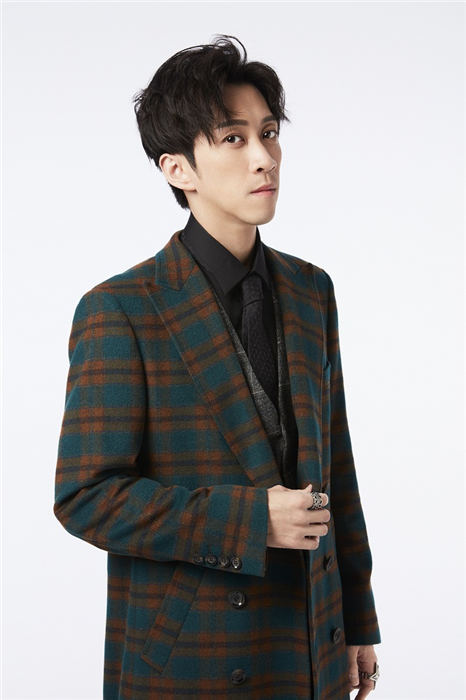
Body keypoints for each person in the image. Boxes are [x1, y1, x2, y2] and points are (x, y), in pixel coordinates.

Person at [53, 34, 381, 699]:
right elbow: (86, 498)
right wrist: (251, 521)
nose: (264, 157)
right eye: (234, 138)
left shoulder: (311, 290)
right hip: (192, 652)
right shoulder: (121, 309)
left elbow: (336, 466)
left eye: (269, 133)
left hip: (310, 637)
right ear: (178, 168)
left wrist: (356, 622)